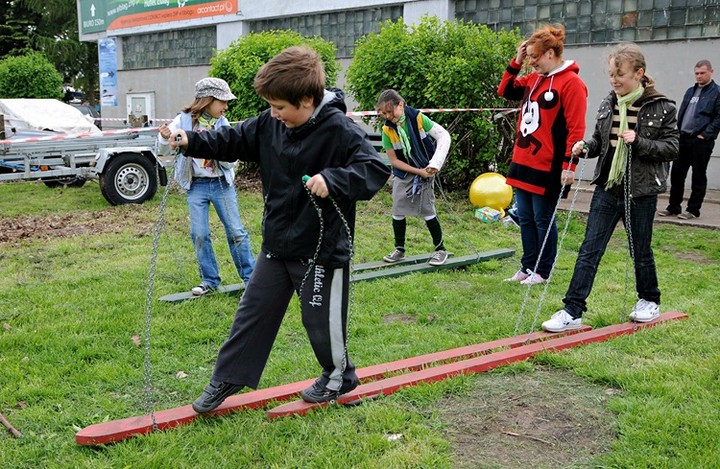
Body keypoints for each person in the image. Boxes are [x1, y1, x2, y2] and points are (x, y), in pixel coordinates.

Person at [169, 46, 391, 412]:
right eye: (270, 106)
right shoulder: (272, 121)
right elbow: (234, 139)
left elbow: (374, 168)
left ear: (306, 100)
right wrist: (191, 141)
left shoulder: (339, 129)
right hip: (277, 244)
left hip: (321, 249)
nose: (274, 114)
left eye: (280, 107)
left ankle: (339, 376)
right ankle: (228, 377)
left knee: (319, 321)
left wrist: (333, 179)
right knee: (252, 313)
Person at [542, 43, 679, 333]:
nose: (614, 80)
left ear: (639, 73)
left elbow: (672, 147)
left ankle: (649, 300)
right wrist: (585, 147)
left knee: (640, 250)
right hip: (608, 187)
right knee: (589, 249)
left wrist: (639, 142)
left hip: (640, 192)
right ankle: (572, 310)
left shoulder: (661, 106)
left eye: (620, 74)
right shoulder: (609, 102)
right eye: (611, 74)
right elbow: (599, 141)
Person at [497, 24, 588, 285]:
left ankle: (542, 270)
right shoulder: (535, 79)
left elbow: (576, 128)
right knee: (524, 216)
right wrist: (517, 60)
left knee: (542, 218)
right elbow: (505, 90)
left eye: (535, 57)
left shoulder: (572, 83)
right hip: (524, 160)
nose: (532, 63)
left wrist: (569, 166)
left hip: (549, 166)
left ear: (551, 53)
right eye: (530, 57)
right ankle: (527, 266)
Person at [158, 77, 255, 296]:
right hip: (197, 186)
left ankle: (251, 278)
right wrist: (165, 139)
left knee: (236, 232)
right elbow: (164, 148)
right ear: (208, 100)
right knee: (199, 233)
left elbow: (232, 159)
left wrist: (219, 153)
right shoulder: (182, 120)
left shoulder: (223, 124)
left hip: (222, 184)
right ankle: (210, 280)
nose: (226, 106)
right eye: (222, 101)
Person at [375, 89, 452, 266]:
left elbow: (442, 136)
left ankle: (440, 249)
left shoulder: (418, 118)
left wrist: (433, 164)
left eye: (390, 111)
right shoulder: (387, 129)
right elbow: (394, 161)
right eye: (384, 113)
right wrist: (417, 172)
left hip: (426, 168)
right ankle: (399, 250)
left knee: (427, 209)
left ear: (400, 105)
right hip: (405, 172)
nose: (388, 116)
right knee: (397, 208)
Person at [658, 60, 720, 220]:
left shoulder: (716, 92)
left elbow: (718, 117)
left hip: (701, 141)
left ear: (711, 72)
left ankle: (693, 210)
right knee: (677, 174)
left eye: (702, 73)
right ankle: (673, 207)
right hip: (683, 138)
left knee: (698, 175)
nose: (699, 76)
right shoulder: (690, 91)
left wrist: (706, 134)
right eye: (697, 73)